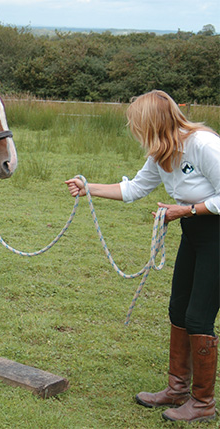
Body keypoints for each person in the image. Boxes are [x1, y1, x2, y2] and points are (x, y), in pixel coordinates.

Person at [65, 90, 220, 423]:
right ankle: (177, 389)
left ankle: (203, 403)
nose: (134, 129)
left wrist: (186, 210)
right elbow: (134, 189)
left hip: (217, 235)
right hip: (194, 234)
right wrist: (87, 187)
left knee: (198, 318)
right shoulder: (162, 153)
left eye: (137, 123)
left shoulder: (204, 145)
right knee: (178, 309)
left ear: (153, 124)